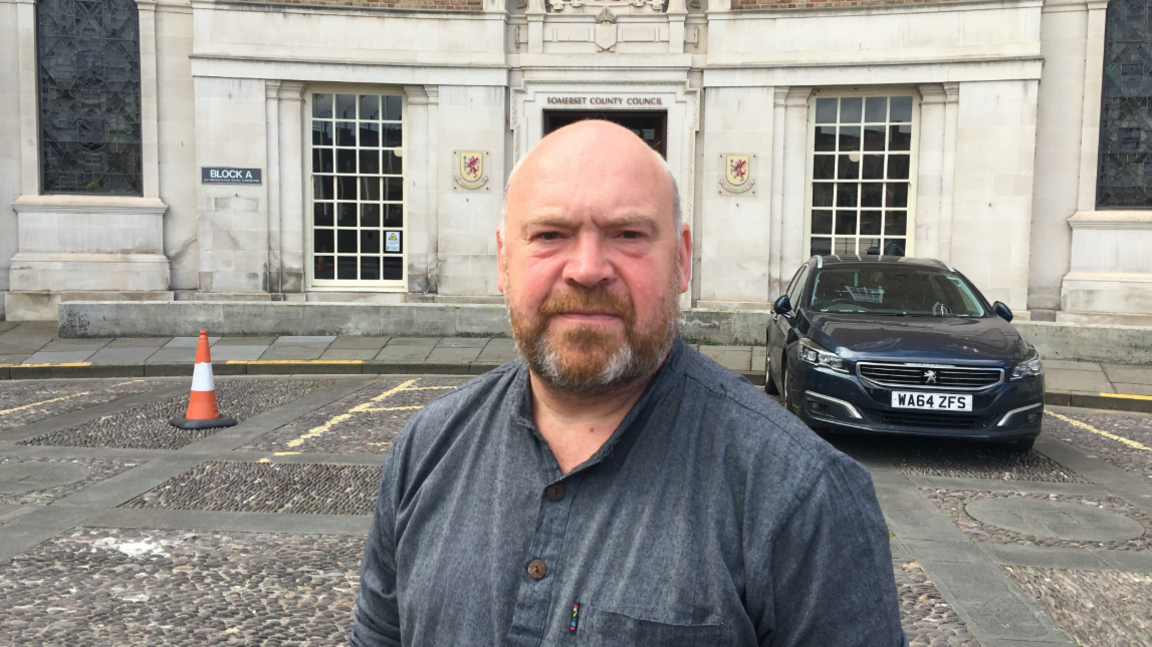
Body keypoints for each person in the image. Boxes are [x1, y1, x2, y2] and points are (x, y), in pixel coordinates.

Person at [351, 120, 907, 646]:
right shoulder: (424, 447)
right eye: (549, 234)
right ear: (503, 260)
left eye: (627, 234)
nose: (587, 268)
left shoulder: (803, 494)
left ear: (682, 259)